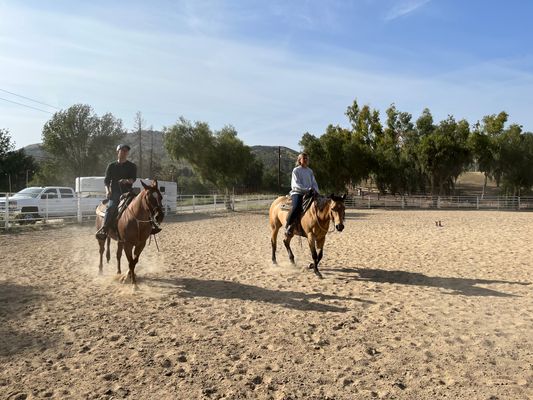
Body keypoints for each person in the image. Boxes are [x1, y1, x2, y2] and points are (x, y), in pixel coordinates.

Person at [95, 144, 137, 240]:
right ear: (117, 152)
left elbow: (133, 179)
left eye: (126, 151)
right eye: (122, 151)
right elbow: (106, 181)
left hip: (128, 193)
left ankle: (150, 225)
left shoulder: (132, 166)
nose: (124, 153)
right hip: (115, 193)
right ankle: (104, 229)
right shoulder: (111, 166)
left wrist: (126, 181)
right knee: (111, 207)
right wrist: (107, 191)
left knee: (141, 204)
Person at [285, 152, 319, 236]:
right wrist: (306, 189)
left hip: (310, 192)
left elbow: (314, 183)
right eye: (304, 158)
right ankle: (289, 225)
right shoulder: (296, 170)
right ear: (299, 160)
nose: (306, 160)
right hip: (298, 192)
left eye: (307, 158)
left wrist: (316, 190)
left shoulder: (310, 171)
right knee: (296, 207)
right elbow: (295, 184)